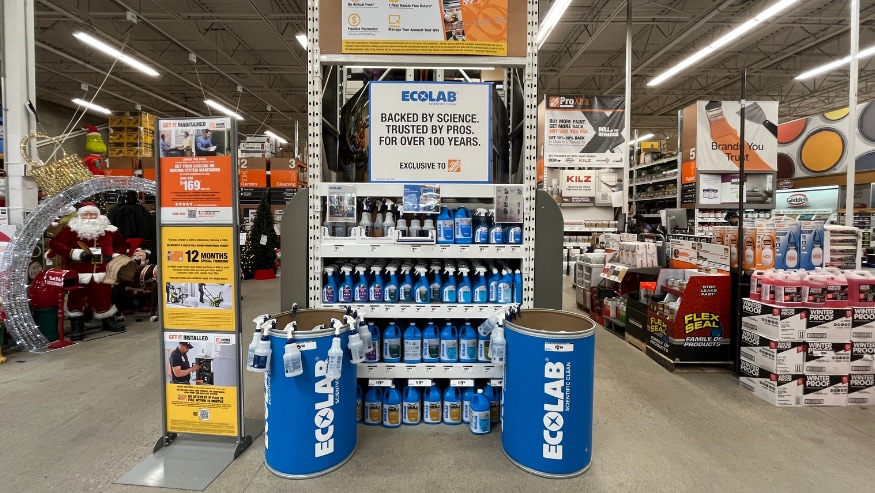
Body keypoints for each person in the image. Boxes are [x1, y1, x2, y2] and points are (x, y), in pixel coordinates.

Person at [49, 202, 128, 340]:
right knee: (76, 299)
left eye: (93, 214)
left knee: (103, 296)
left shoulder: (110, 230)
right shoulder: (71, 230)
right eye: (86, 214)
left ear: (98, 215)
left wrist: (115, 254)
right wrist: (74, 253)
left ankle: (107, 320)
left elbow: (122, 244)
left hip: (102, 271)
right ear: (80, 215)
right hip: (78, 271)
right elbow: (55, 244)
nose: (90, 217)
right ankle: (77, 326)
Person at [107, 190, 157, 257]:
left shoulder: (114, 211)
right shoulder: (142, 211)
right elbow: (149, 228)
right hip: (141, 245)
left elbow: (110, 227)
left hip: (120, 247)